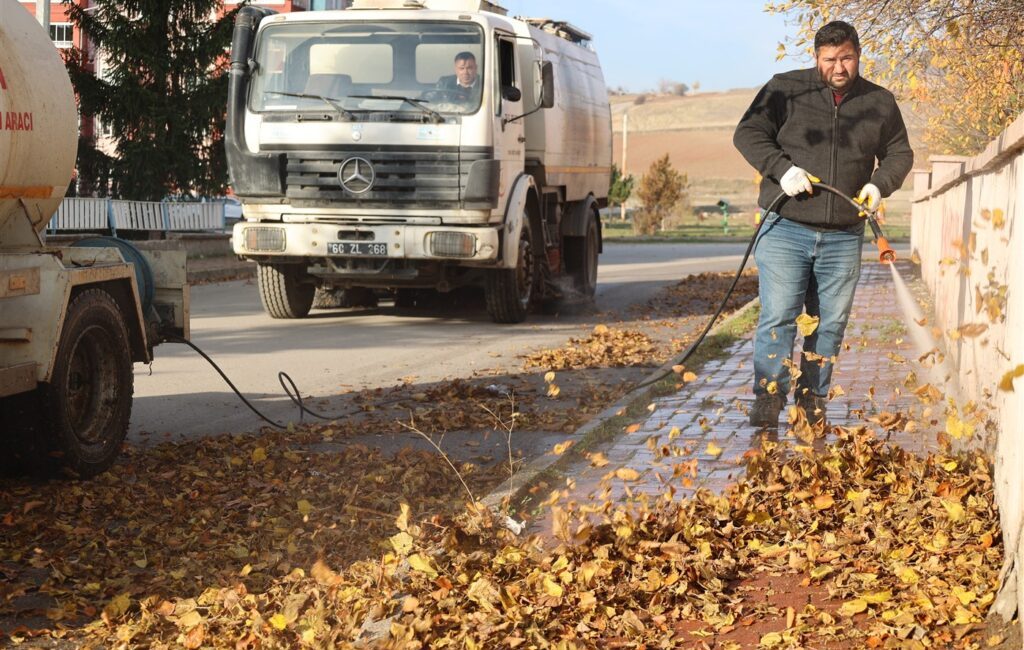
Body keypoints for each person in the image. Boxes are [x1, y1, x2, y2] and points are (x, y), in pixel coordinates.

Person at [733, 20, 913, 428]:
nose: (838, 67)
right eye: (829, 59)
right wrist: (782, 171)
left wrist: (879, 185)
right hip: (786, 228)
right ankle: (769, 398)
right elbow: (748, 133)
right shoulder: (785, 89)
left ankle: (812, 398)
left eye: (846, 57)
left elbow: (900, 154)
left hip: (843, 236)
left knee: (829, 323)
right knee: (779, 315)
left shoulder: (879, 103)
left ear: (858, 55)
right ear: (816, 58)